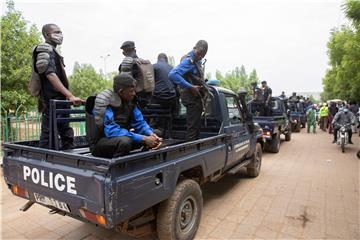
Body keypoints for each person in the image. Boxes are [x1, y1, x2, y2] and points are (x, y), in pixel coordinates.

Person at [33, 24, 82, 149]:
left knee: (66, 133)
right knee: (48, 135)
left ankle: (68, 161)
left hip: (61, 100)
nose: (60, 35)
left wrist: (67, 97)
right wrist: (70, 95)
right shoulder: (44, 49)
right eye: (56, 32)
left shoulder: (54, 51)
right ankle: (43, 162)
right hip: (51, 101)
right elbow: (50, 75)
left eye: (60, 32)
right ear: (46, 35)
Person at [91, 73, 162, 158]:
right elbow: (112, 131)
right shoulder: (106, 102)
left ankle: (144, 159)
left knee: (156, 133)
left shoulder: (130, 102)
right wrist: (144, 139)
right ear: (121, 91)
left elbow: (140, 123)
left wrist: (151, 135)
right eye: (131, 91)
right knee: (125, 142)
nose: (134, 93)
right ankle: (116, 166)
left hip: (123, 138)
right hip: (103, 142)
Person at [168, 40, 208, 141]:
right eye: (199, 54)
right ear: (194, 48)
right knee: (192, 129)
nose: (200, 57)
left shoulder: (196, 60)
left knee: (195, 128)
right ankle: (191, 151)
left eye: (202, 56)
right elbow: (172, 74)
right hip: (191, 98)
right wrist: (190, 86)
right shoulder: (188, 60)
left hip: (195, 98)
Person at [118, 41, 153, 109]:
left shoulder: (126, 64)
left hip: (134, 100)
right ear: (135, 50)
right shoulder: (146, 63)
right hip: (149, 100)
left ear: (123, 53)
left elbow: (120, 84)